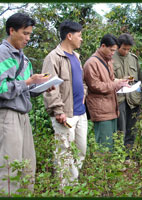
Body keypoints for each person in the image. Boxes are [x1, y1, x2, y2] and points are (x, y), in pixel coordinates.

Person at [0, 13, 52, 195]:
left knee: (27, 164)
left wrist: (42, 87)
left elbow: (25, 90)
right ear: (12, 31)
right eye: (25, 33)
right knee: (9, 166)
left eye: (30, 34)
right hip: (8, 115)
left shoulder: (23, 58)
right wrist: (29, 82)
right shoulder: (1, 54)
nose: (28, 38)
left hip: (23, 116)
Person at [42, 20, 88, 187]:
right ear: (69, 36)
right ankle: (65, 188)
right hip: (65, 114)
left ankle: (73, 183)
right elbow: (49, 88)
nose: (81, 39)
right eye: (79, 36)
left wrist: (84, 93)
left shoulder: (76, 57)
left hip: (80, 112)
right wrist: (57, 110)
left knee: (81, 150)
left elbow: (81, 81)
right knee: (64, 152)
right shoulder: (53, 57)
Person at [84, 34, 129, 151]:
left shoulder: (108, 61)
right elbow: (95, 85)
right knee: (104, 145)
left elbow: (109, 81)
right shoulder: (92, 63)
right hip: (101, 110)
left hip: (111, 108)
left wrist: (121, 82)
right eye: (111, 50)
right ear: (103, 46)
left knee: (112, 143)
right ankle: (105, 168)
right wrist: (115, 84)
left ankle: (112, 168)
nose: (112, 53)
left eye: (114, 51)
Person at [113, 33, 142, 154]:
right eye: (124, 48)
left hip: (133, 99)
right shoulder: (111, 58)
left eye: (128, 49)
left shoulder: (133, 58)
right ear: (118, 46)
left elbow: (139, 79)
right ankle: (119, 156)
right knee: (121, 130)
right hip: (119, 99)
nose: (126, 51)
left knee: (132, 129)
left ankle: (128, 156)